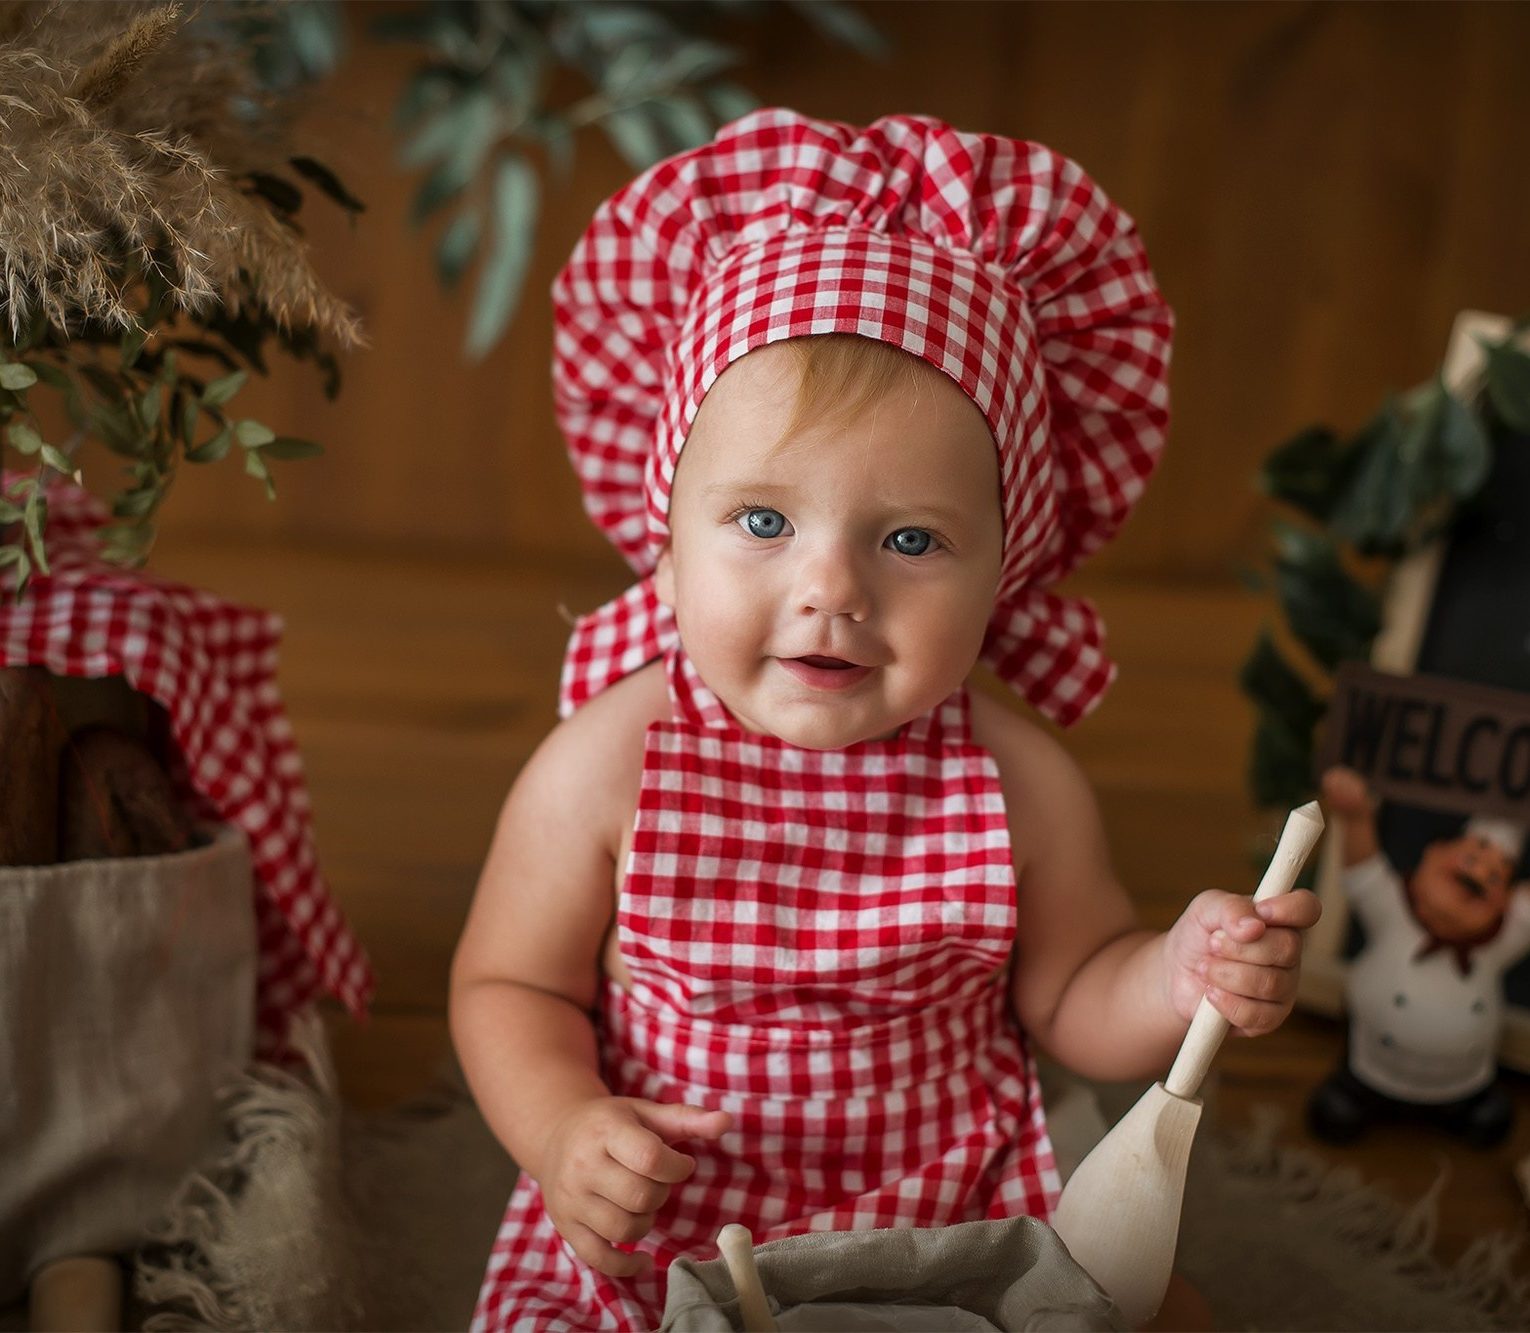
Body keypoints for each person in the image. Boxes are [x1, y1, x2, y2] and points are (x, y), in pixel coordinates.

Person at [450, 109, 1322, 1332]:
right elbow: (507, 985)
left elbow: (1071, 994)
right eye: (761, 521)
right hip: (668, 1210)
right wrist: (562, 1129)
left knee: (1163, 1313)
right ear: (664, 533)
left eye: (910, 539)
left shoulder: (1016, 781)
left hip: (940, 1214)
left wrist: (1178, 973)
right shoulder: (607, 764)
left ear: (1005, 571)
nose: (830, 589)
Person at [1307, 765, 1530, 1148]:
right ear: (1431, 855)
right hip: (1371, 1065)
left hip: (1462, 1080)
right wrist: (1356, 815)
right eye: (1472, 856)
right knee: (1341, 1108)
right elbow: (1363, 869)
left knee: (1486, 1121)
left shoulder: (1496, 945)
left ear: (1506, 902)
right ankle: (1353, 1096)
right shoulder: (1392, 913)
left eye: (1496, 877)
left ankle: (1465, 1108)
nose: (1482, 872)